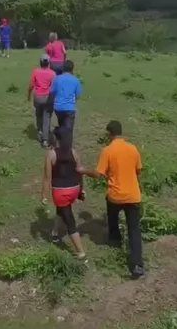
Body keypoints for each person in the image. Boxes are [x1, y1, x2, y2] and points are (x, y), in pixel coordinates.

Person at [78, 120, 144, 279]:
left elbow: (98, 174)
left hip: (116, 196)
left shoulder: (107, 151)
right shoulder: (133, 149)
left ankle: (115, 239)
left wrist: (83, 171)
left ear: (110, 134)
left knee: (112, 214)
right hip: (133, 196)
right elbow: (138, 171)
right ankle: (137, 265)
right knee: (134, 229)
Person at [41, 126, 87, 259]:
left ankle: (80, 252)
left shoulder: (51, 154)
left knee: (70, 221)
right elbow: (80, 173)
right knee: (62, 210)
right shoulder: (74, 152)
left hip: (61, 193)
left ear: (55, 138)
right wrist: (81, 190)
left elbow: (47, 177)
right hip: (74, 189)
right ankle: (55, 233)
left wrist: (43, 195)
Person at [48, 60, 81, 146]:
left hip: (58, 107)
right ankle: (67, 148)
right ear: (72, 69)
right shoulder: (75, 80)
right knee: (69, 129)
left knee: (62, 125)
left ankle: (59, 137)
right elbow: (78, 95)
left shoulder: (57, 79)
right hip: (69, 108)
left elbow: (51, 92)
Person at [27, 54, 55, 147]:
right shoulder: (52, 73)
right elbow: (54, 87)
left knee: (38, 115)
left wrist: (28, 95)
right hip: (48, 97)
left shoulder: (35, 71)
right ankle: (45, 140)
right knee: (47, 118)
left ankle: (40, 132)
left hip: (38, 97)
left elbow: (31, 85)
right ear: (48, 63)